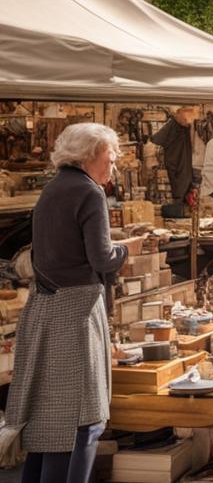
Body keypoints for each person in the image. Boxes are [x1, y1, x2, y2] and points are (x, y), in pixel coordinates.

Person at [6, 123, 140, 482]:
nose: (112, 168)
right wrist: (128, 249)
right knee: (85, 420)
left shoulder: (52, 189)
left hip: (47, 307)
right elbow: (101, 258)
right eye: (110, 160)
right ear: (90, 156)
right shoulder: (89, 192)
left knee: (51, 423)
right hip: (77, 310)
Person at [149, 106, 198, 202]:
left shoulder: (190, 128)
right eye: (186, 111)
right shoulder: (172, 126)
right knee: (179, 192)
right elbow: (154, 142)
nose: (189, 116)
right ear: (178, 113)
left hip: (186, 167)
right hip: (176, 166)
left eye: (191, 112)